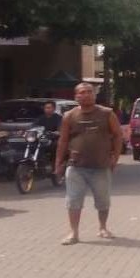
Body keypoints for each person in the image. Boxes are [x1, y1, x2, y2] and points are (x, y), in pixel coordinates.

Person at [55, 83, 123, 245]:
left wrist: (115, 158)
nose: (86, 95)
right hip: (76, 166)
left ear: (94, 95)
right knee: (73, 201)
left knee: (102, 200)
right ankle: (74, 233)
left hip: (101, 165)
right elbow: (63, 140)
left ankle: (103, 227)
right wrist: (58, 162)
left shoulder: (107, 114)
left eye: (89, 92)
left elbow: (118, 135)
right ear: (76, 97)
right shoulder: (69, 116)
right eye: (82, 93)